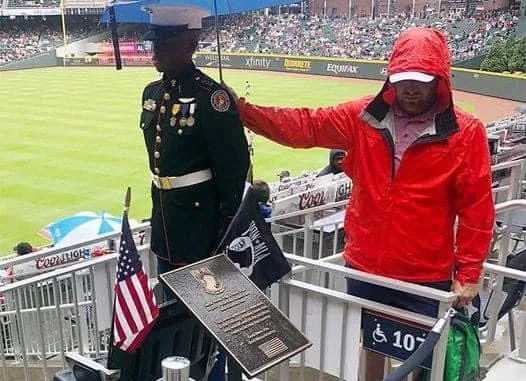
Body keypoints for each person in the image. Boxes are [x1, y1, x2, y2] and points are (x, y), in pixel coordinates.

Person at [225, 27, 494, 381]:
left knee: (426, 360)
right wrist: (242, 112)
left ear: (439, 80)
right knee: (372, 346)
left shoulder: (466, 133)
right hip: (365, 265)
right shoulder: (362, 117)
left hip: (424, 276)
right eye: (402, 78)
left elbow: (477, 209)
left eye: (421, 79)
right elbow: (304, 126)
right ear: (390, 77)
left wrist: (470, 274)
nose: (411, 88)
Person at [138, 6, 249, 381]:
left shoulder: (211, 97)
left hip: (201, 230)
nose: (154, 51)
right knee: (173, 315)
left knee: (212, 314)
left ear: (189, 44)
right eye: (154, 42)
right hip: (167, 222)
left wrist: (222, 233)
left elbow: (234, 171)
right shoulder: (151, 92)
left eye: (163, 43)